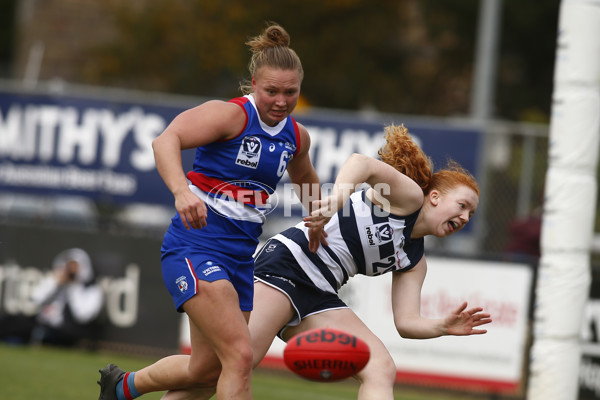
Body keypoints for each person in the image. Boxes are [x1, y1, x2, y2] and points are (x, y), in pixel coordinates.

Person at [138, 123, 492, 400]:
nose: (464, 217)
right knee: (219, 370)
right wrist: (339, 196)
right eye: (462, 205)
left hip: (321, 292)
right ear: (433, 197)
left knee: (381, 366)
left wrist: (442, 327)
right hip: (287, 266)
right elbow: (362, 163)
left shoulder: (414, 261)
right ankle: (127, 385)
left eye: (471, 214)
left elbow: (406, 322)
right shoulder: (408, 198)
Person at [97, 23, 319, 400]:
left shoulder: (296, 136)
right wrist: (182, 191)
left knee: (204, 371)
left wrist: (319, 218)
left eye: (290, 92)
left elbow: (307, 180)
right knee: (240, 355)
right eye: (271, 91)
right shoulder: (230, 116)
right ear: (253, 83)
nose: (281, 101)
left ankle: (123, 387)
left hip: (239, 259)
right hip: (195, 248)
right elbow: (166, 139)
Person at [31, 248, 103, 347]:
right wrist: (54, 283)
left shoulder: (91, 289)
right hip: (45, 329)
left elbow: (82, 316)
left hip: (72, 335)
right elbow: (35, 300)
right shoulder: (54, 281)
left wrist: (73, 286)